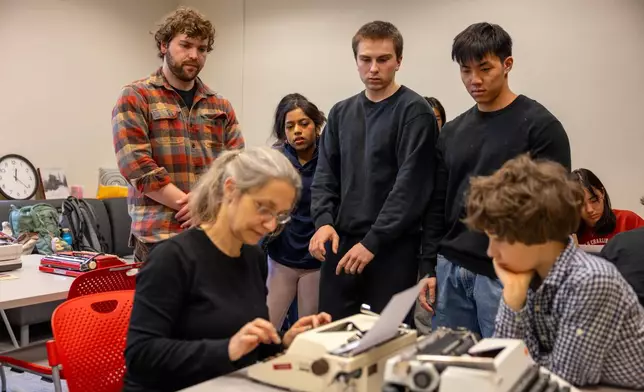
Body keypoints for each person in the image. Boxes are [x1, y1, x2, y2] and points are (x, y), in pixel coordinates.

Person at [123, 147, 332, 392]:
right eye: (263, 208)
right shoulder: (172, 259)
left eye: (280, 215)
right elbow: (140, 355)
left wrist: (284, 343)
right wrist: (227, 348)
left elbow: (247, 343)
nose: (271, 224)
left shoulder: (252, 257)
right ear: (231, 190)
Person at [418, 22, 571, 338]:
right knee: (451, 371)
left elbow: (555, 213)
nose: (474, 79)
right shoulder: (451, 132)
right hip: (450, 269)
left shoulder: (540, 127)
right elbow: (436, 205)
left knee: (509, 371)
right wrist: (428, 267)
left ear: (507, 64)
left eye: (485, 68)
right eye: (465, 70)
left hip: (507, 273)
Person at [465, 154, 644, 389]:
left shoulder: (590, 280)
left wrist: (519, 362)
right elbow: (505, 364)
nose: (491, 252)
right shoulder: (530, 276)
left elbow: (561, 380)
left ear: (537, 233)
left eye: (498, 239)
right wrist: (512, 296)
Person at [310, 21, 438, 320]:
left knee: (385, 345)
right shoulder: (341, 113)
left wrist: (373, 242)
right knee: (332, 338)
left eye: (383, 59)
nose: (373, 68)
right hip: (340, 245)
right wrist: (324, 221)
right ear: (356, 61)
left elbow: (410, 188)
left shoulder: (414, 112)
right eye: (365, 59)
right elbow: (325, 175)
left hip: (390, 251)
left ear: (398, 62)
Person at [112, 6, 244, 262]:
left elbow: (237, 166)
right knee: (161, 303)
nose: (194, 55)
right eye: (185, 45)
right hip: (158, 237)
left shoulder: (221, 105)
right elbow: (136, 165)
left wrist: (206, 204)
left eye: (202, 49)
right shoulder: (136, 96)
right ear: (163, 45)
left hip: (213, 232)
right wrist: (193, 205)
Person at [264, 93, 326, 329]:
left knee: (308, 330)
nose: (297, 131)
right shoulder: (276, 160)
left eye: (304, 124)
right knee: (267, 326)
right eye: (290, 126)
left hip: (316, 259)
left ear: (316, 125)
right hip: (282, 256)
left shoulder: (330, 157)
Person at [572, 168, 644, 246]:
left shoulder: (628, 220)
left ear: (602, 193)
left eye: (594, 200)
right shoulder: (571, 232)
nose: (590, 210)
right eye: (581, 205)